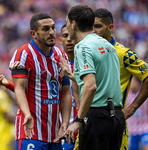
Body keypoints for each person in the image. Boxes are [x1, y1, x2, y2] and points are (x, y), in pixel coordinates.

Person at [56, 5, 125, 150]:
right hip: (116, 117)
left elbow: (91, 86)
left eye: (67, 23)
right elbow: (103, 82)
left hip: (96, 117)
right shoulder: (109, 46)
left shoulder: (82, 47)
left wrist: (78, 120)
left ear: (73, 24)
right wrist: (73, 76)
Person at [92, 8, 148, 150]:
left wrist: (132, 108)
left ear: (110, 27)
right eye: (91, 26)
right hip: (91, 124)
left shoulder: (123, 53)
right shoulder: (87, 52)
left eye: (97, 26)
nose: (93, 30)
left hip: (114, 124)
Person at [8, 13, 72, 150]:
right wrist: (27, 114)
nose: (51, 32)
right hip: (30, 132)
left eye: (53, 28)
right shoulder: (23, 54)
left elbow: (66, 92)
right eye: (45, 29)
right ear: (34, 33)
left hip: (55, 134)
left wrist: (65, 122)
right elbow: (19, 88)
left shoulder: (61, 55)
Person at [59, 24, 79, 150]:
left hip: (87, 130)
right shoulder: (55, 64)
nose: (69, 39)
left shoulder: (88, 63)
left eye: (72, 35)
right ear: (60, 39)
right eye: (65, 36)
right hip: (65, 134)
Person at [127, 77, 148, 150]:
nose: (131, 84)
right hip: (131, 130)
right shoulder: (126, 95)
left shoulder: (146, 93)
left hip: (145, 128)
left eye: (133, 82)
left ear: (138, 83)